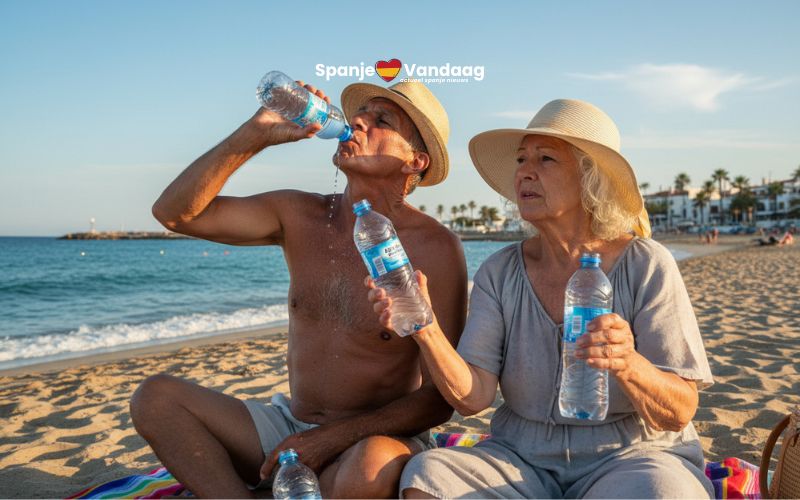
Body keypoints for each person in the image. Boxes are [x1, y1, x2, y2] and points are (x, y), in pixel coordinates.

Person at [130, 79, 468, 498]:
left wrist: (332, 439)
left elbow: (440, 399)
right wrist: (256, 134)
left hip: (372, 440)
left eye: (381, 120)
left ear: (415, 161)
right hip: (289, 426)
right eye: (360, 113)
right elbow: (175, 214)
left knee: (364, 472)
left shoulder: (435, 248)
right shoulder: (299, 214)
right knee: (156, 399)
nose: (358, 121)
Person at [367, 99, 715, 498]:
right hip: (521, 458)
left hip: (632, 456)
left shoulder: (646, 264)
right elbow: (473, 397)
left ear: (590, 179)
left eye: (546, 159)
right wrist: (425, 327)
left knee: (665, 491)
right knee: (429, 475)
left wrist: (629, 364)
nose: (524, 173)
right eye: (521, 160)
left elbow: (680, 411)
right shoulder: (500, 271)